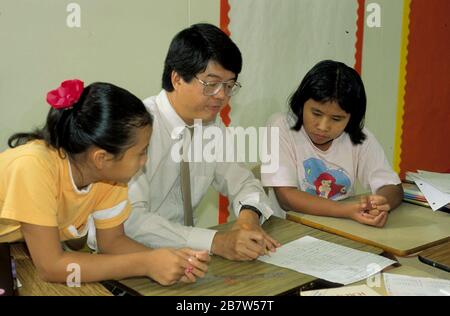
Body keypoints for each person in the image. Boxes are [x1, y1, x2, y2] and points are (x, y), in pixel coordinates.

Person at [0, 79, 209, 286]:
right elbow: (51, 267)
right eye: (141, 152)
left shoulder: (109, 179)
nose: (145, 161)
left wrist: (169, 261)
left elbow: (112, 242)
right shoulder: (33, 167)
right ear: (102, 158)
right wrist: (145, 264)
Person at [124, 23, 281, 261]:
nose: (222, 96)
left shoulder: (211, 126)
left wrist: (248, 219)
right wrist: (216, 242)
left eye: (229, 86)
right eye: (211, 83)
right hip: (133, 257)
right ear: (177, 78)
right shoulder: (138, 129)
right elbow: (132, 221)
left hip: (189, 258)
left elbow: (243, 183)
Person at [261, 60, 403, 227]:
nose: (322, 127)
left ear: (352, 119)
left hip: (342, 228)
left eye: (336, 119)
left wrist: (381, 202)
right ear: (301, 103)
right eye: (316, 113)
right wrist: (346, 211)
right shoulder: (281, 126)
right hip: (290, 230)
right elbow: (286, 198)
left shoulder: (358, 137)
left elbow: (392, 186)